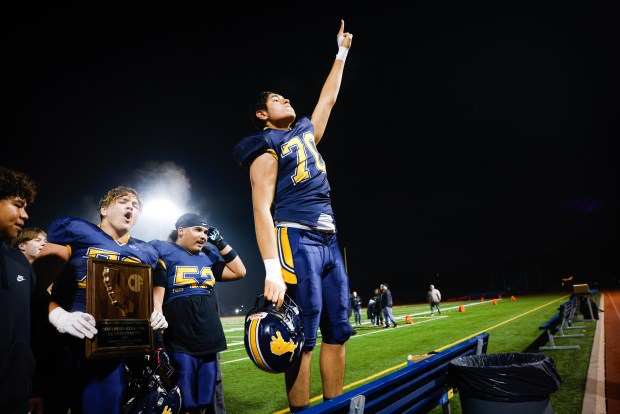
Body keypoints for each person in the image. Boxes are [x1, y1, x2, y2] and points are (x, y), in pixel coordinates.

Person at [232, 20, 354, 412]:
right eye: (277, 99)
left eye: (286, 97)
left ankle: (334, 407)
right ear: (261, 114)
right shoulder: (266, 149)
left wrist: (341, 53)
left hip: (329, 239)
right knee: (302, 332)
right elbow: (260, 210)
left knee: (338, 329)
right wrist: (270, 268)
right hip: (295, 238)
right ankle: (303, 411)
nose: (286, 100)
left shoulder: (305, 132)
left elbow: (328, 100)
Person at [32, 186, 166, 414]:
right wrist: (56, 313)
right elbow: (35, 283)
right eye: (124, 201)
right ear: (104, 209)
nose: (130, 207)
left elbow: (159, 276)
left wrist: (157, 309)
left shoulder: (146, 250)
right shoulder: (75, 229)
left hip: (114, 350)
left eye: (135, 206)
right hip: (66, 344)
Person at [149, 213, 246, 414]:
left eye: (206, 232)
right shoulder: (164, 251)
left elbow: (239, 271)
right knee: (185, 402)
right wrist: (157, 336)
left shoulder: (208, 256)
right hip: (180, 340)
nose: (203, 235)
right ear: (181, 230)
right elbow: (156, 296)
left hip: (209, 339)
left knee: (204, 402)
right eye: (198, 230)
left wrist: (220, 242)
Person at [0, 166, 38, 414]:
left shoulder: (17, 260)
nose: (24, 215)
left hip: (15, 394)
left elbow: (28, 330)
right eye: (17, 205)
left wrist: (33, 387)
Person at [12, 227, 48, 414]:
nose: (44, 243)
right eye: (38, 240)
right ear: (21, 245)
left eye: (45, 240)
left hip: (42, 361)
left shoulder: (45, 278)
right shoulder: (11, 274)